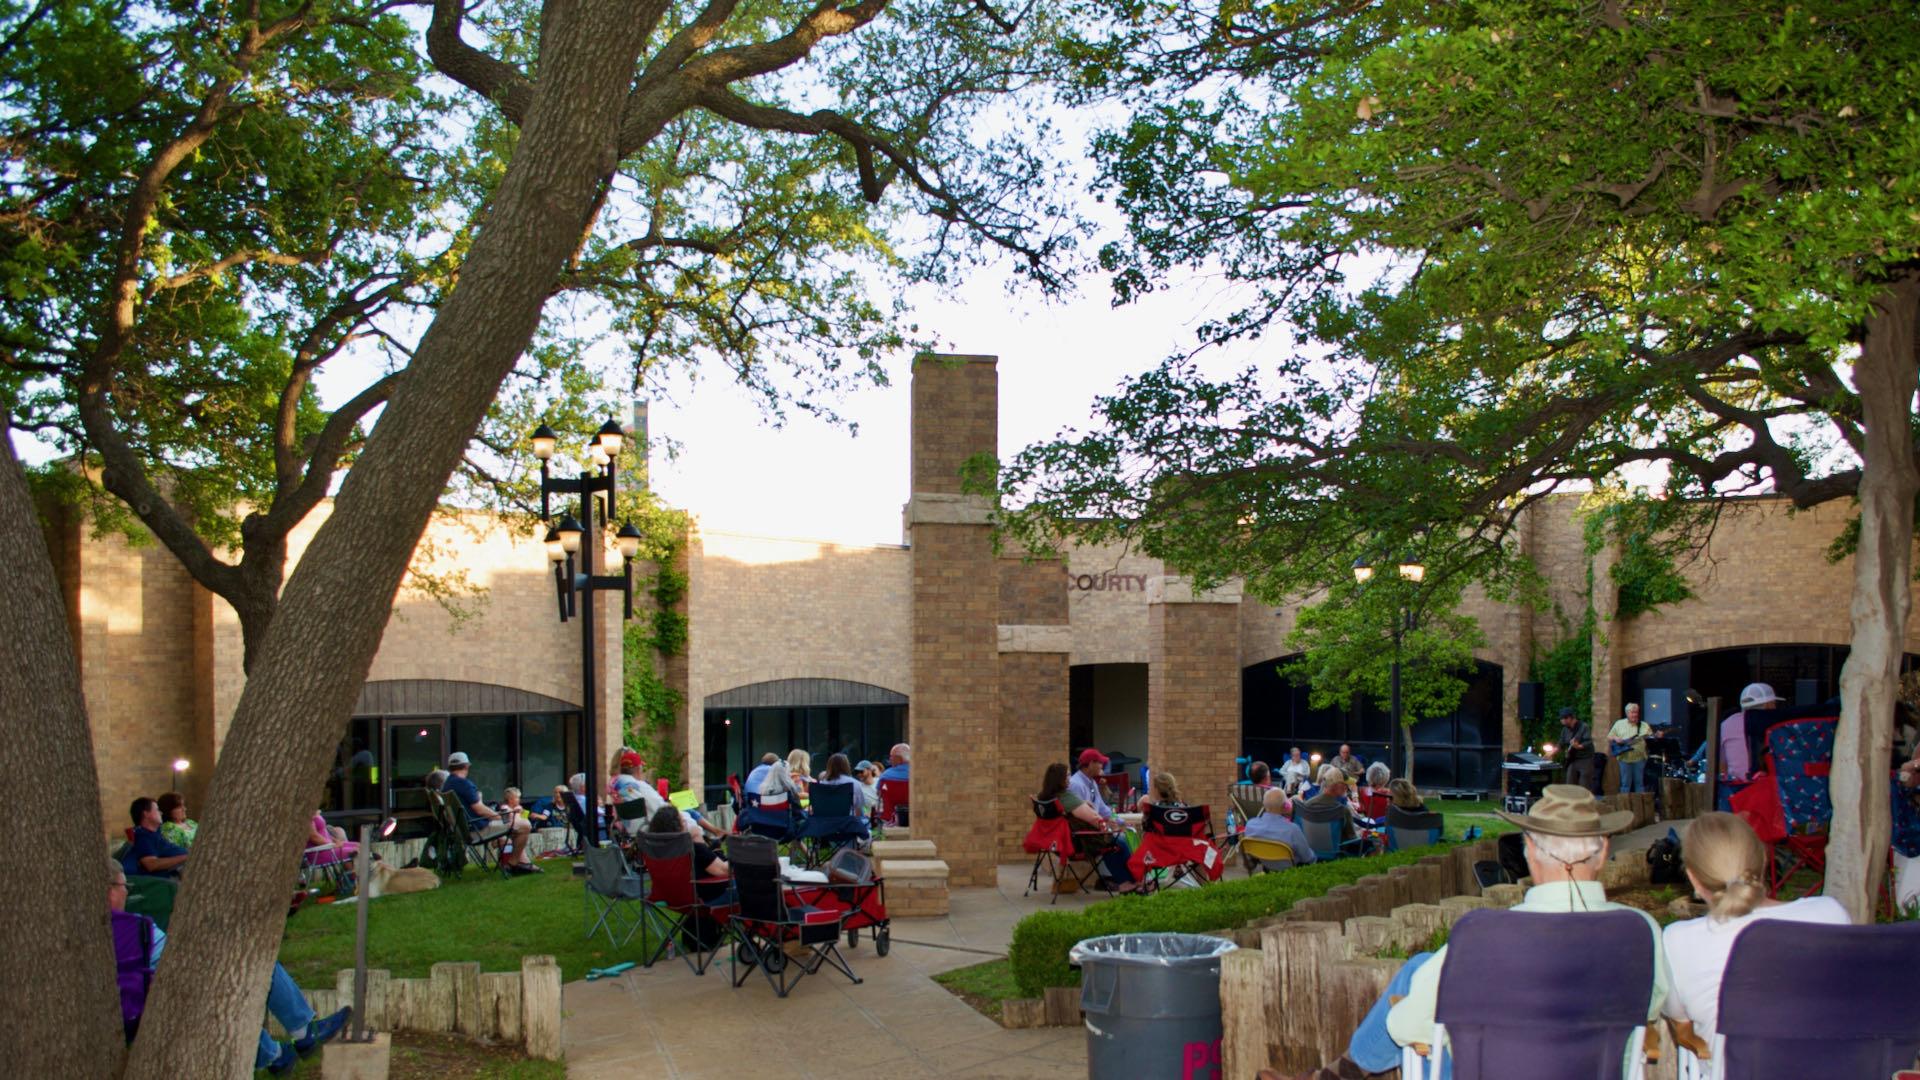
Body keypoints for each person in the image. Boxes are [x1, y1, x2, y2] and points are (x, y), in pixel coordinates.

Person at [1273, 785, 1670, 1080]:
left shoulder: (1481, 938)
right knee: (1426, 968)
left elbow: (1402, 1027)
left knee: (1426, 982)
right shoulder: (1642, 933)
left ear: (1530, 851)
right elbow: (1651, 1008)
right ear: (1603, 851)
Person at [108, 857, 350, 1072]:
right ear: (109, 890)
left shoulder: (98, 932)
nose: (127, 892)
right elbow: (176, 960)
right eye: (123, 886)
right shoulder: (131, 925)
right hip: (154, 1003)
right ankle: (303, 1032)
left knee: (216, 986)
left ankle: (276, 1056)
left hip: (129, 1010)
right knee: (248, 959)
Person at [1661, 812, 1848, 1047]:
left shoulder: (1678, 941)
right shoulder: (1830, 914)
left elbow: (1681, 1023)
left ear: (1693, 878)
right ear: (1763, 858)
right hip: (1830, 1063)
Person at [1038, 762, 1138, 893]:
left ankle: (1125, 882)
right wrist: (1108, 827)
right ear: (1059, 779)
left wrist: (1082, 803)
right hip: (1078, 843)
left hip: (1054, 842)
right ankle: (1133, 881)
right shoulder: (1066, 797)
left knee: (1112, 843)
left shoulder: (1045, 797)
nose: (1070, 778)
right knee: (1119, 842)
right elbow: (1093, 819)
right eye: (1067, 775)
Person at [442, 751, 537, 874]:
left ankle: (524, 862)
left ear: (450, 767)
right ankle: (513, 864)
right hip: (477, 830)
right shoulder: (463, 784)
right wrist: (499, 816)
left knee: (515, 826)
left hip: (463, 830)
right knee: (525, 825)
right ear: (467, 766)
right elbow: (479, 809)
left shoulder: (447, 784)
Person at [1718, 683, 1782, 782]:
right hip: (1767, 786)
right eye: (1774, 703)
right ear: (1768, 705)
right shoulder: (1775, 723)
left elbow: (1722, 765)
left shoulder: (1726, 724)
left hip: (1736, 787)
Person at [1242, 787, 1315, 868]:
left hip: (1267, 868)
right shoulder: (1293, 830)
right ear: (1286, 806)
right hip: (1291, 871)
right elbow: (1308, 858)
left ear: (1264, 804)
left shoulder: (1250, 825)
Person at [122, 797, 189, 879]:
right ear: (146, 814)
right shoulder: (143, 836)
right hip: (169, 877)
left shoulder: (155, 832)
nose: (161, 813)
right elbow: (151, 864)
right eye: (157, 810)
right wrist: (187, 857)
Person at [1301, 764, 1360, 846]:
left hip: (1311, 849)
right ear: (1337, 785)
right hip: (1336, 851)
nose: (1347, 788)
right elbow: (1352, 839)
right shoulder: (1343, 810)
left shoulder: (1308, 805)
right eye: (1345, 785)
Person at [1609, 702, 1655, 794]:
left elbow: (1651, 738)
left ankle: (1639, 802)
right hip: (1624, 758)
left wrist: (1657, 736)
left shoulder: (1644, 725)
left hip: (1640, 758)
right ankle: (1624, 802)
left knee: (1639, 783)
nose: (1635, 715)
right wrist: (1616, 738)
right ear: (1627, 713)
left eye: (1636, 712)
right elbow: (1610, 736)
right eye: (1632, 712)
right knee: (1625, 783)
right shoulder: (1619, 724)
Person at [1559, 706, 1603, 795]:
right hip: (1573, 759)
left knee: (1585, 784)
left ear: (1569, 718)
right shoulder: (1565, 729)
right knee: (1570, 782)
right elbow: (1561, 743)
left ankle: (1585, 802)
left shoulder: (1583, 727)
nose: (1561, 721)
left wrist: (1578, 746)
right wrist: (1551, 752)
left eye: (1563, 719)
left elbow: (1588, 742)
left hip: (1585, 759)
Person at [1066, 747, 1118, 824]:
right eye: (1100, 763)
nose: (1102, 766)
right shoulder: (1076, 784)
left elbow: (1101, 807)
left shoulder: (1092, 781)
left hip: (1094, 825)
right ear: (1091, 764)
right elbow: (1080, 817)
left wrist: (1119, 820)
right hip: (1085, 828)